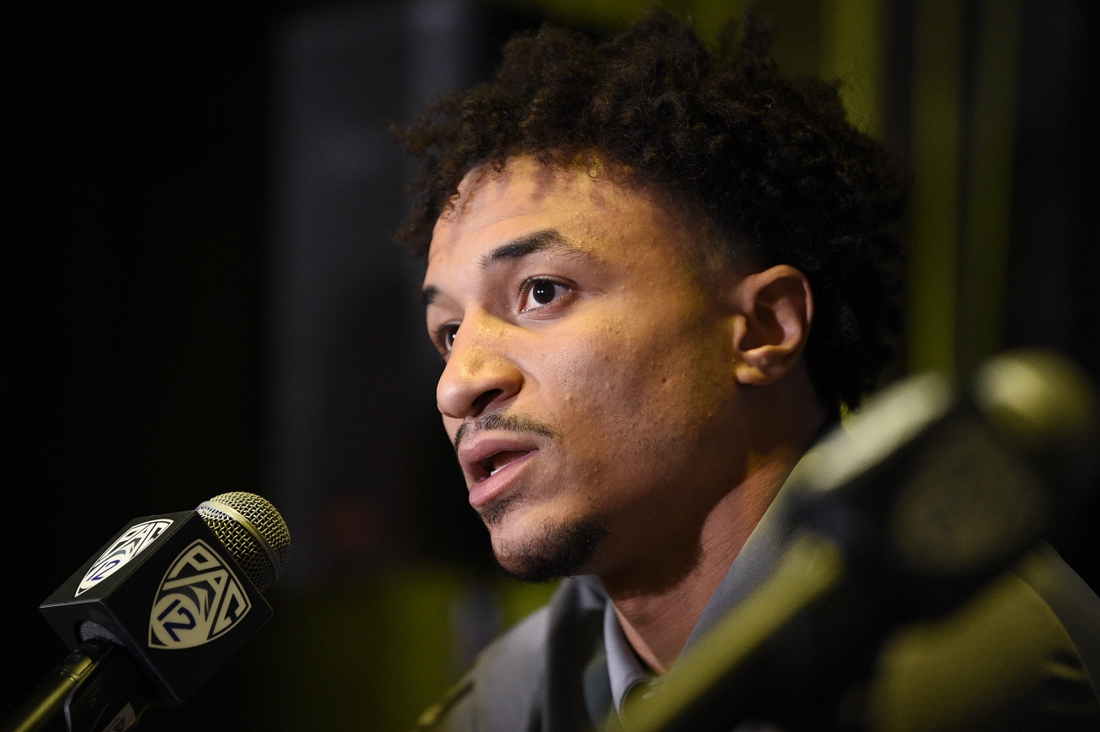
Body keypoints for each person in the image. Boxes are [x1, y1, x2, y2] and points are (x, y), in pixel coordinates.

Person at [394, 9, 1100, 731]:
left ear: (763, 329)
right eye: (448, 332)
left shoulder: (962, 674)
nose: (458, 384)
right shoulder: (507, 697)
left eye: (542, 292)